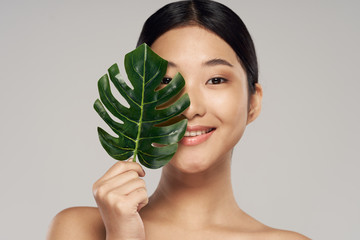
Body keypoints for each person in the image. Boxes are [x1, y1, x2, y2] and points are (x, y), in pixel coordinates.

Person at [47, 1, 310, 239]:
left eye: (216, 80)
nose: (190, 107)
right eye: (165, 81)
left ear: (253, 102)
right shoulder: (80, 229)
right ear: (142, 100)